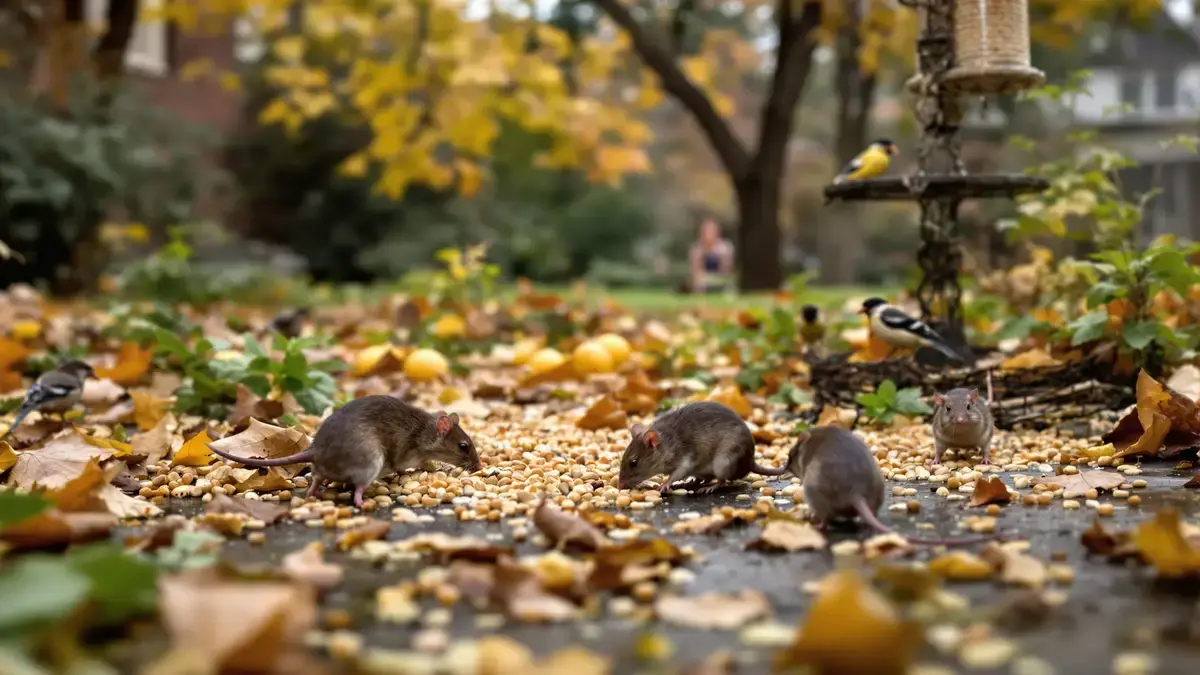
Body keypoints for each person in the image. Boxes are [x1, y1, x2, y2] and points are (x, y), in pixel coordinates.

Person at [688, 217, 734, 293]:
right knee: (699, 283)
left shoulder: (725, 248)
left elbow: (726, 270)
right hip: (703, 282)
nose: (708, 234)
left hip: (721, 280)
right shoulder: (697, 249)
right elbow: (695, 271)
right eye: (705, 231)